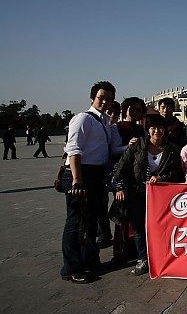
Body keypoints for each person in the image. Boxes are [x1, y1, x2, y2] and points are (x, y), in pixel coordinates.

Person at [60, 81, 122, 284]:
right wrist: (77, 180)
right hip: (81, 174)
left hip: (96, 175)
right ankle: (71, 268)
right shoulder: (83, 119)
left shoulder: (104, 121)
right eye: (101, 97)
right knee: (76, 222)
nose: (105, 102)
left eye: (109, 99)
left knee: (91, 221)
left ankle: (89, 260)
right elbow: (73, 150)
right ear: (92, 98)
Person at [112, 114, 184, 276]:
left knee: (162, 226)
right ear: (147, 130)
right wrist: (120, 188)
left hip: (161, 196)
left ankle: (162, 256)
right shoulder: (137, 145)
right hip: (137, 192)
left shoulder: (171, 149)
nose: (157, 131)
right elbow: (120, 167)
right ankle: (143, 258)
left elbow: (177, 172)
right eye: (153, 128)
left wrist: (162, 177)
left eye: (160, 128)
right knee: (139, 227)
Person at [112, 96, 147, 263]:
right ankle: (120, 251)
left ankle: (135, 249)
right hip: (123, 175)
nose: (135, 112)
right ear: (125, 109)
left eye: (139, 110)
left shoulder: (141, 129)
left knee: (138, 216)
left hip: (138, 178)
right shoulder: (117, 128)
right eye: (132, 108)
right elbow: (113, 150)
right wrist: (129, 146)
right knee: (123, 215)